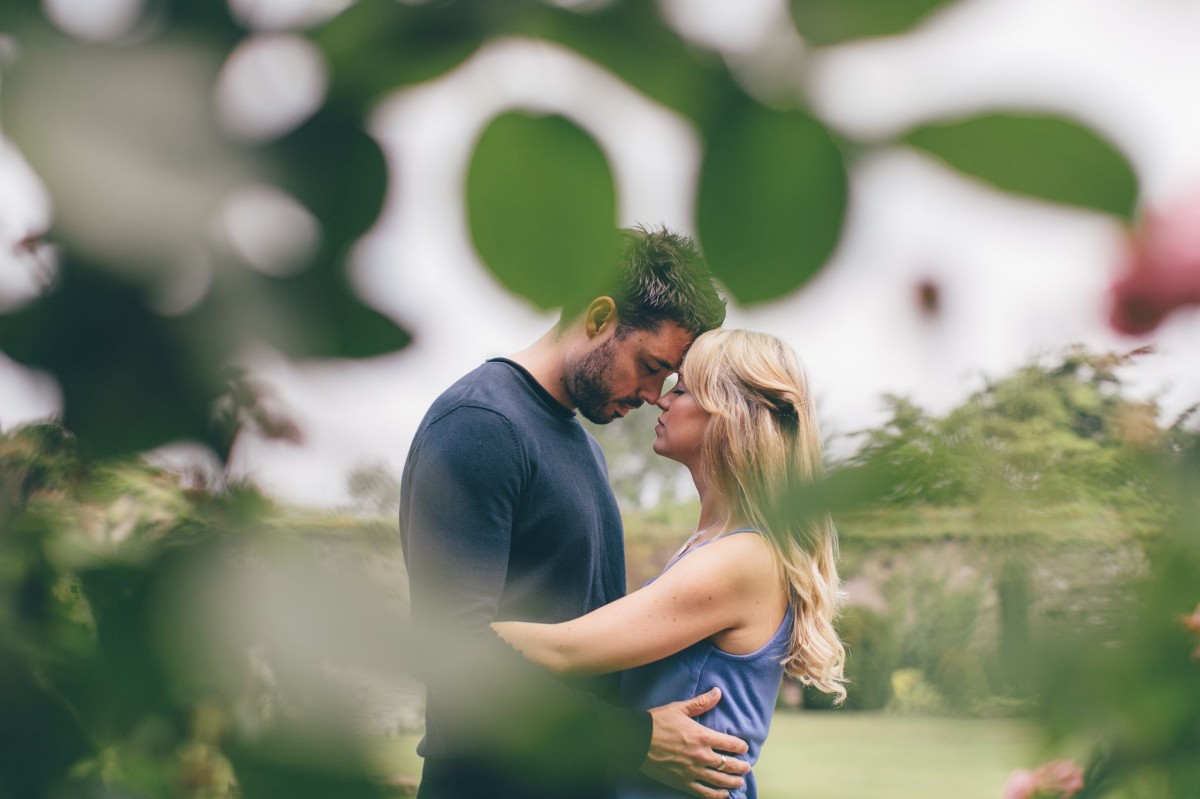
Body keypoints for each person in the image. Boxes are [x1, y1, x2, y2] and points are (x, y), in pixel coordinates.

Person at [398, 225, 749, 799]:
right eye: (651, 364)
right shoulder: (481, 426)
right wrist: (634, 739)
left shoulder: (580, 444)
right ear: (597, 318)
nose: (657, 394)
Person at [493, 328, 848, 799]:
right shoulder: (717, 546)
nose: (661, 401)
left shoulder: (741, 559)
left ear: (730, 415)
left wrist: (450, 634)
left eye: (680, 389)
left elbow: (565, 652)